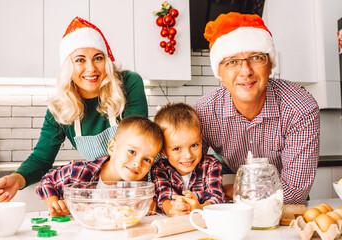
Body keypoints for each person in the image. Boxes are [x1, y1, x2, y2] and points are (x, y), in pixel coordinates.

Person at [0, 16, 148, 202]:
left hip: (137, 187)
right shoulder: (60, 106)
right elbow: (41, 159)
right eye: (80, 60)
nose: (91, 68)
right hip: (100, 193)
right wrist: (16, 179)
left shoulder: (128, 83)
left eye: (98, 58)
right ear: (67, 66)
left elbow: (138, 142)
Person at [193, 12, 320, 204]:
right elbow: (180, 169)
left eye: (256, 57)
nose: (246, 71)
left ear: (270, 65)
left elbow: (295, 191)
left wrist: (233, 191)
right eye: (232, 62)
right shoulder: (204, 112)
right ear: (219, 72)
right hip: (235, 195)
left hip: (284, 202)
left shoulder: (300, 108)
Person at [36, 116, 163, 217]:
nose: (137, 163)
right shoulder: (81, 172)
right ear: (112, 147)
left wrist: (152, 203)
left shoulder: (146, 187)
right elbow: (47, 180)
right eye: (132, 152)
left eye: (147, 159)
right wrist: (55, 206)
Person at [151, 103, 225, 217]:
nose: (188, 155)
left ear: (201, 139)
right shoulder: (159, 169)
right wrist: (173, 211)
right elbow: (163, 198)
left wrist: (199, 208)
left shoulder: (211, 165)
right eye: (176, 148)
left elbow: (216, 198)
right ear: (162, 150)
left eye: (194, 145)